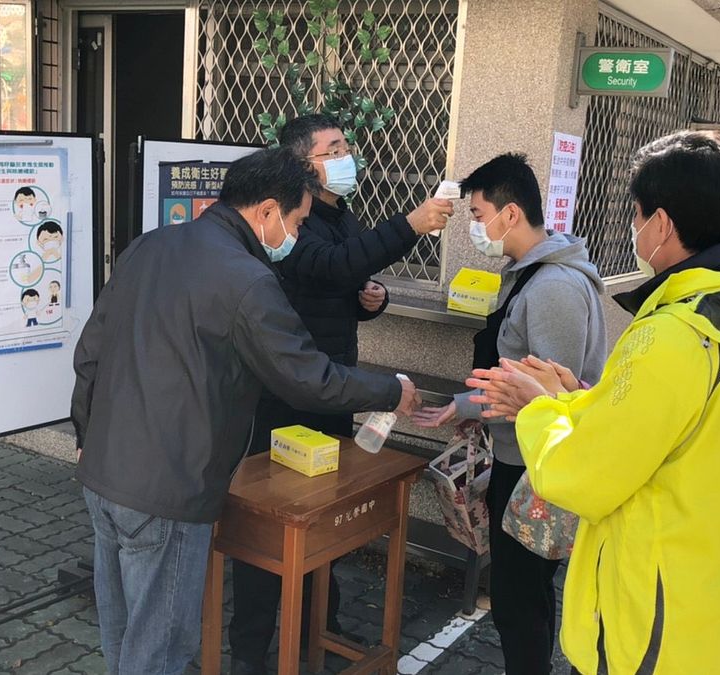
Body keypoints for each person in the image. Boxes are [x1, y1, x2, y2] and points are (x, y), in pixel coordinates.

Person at [468, 131, 720, 675]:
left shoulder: (673, 333)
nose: (634, 229)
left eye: (637, 215)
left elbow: (581, 477)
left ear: (660, 224)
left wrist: (540, 406)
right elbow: (679, 433)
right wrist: (578, 401)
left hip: (655, 627)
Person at [71, 148, 420, 675]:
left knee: (121, 634)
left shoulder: (149, 246)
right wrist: (391, 391)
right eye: (298, 221)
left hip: (102, 473)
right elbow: (308, 377)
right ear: (266, 211)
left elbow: (90, 351)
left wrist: (84, 430)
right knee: (160, 647)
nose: (297, 234)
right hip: (168, 489)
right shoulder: (247, 281)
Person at [229, 113, 454, 675]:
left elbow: (342, 282)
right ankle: (249, 651)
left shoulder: (339, 214)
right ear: (301, 164)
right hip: (284, 398)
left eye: (344, 145)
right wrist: (411, 224)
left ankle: (315, 630)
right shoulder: (289, 224)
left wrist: (367, 301)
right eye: (331, 148)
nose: (344, 154)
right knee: (270, 524)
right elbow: (328, 267)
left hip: (334, 391)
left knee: (325, 521)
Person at [411, 152, 608, 675]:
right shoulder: (532, 274)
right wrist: (462, 405)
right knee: (524, 595)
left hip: (533, 469)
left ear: (511, 214)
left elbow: (547, 396)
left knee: (519, 598)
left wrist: (468, 404)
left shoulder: (554, 288)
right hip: (518, 456)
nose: (475, 227)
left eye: (478, 215)